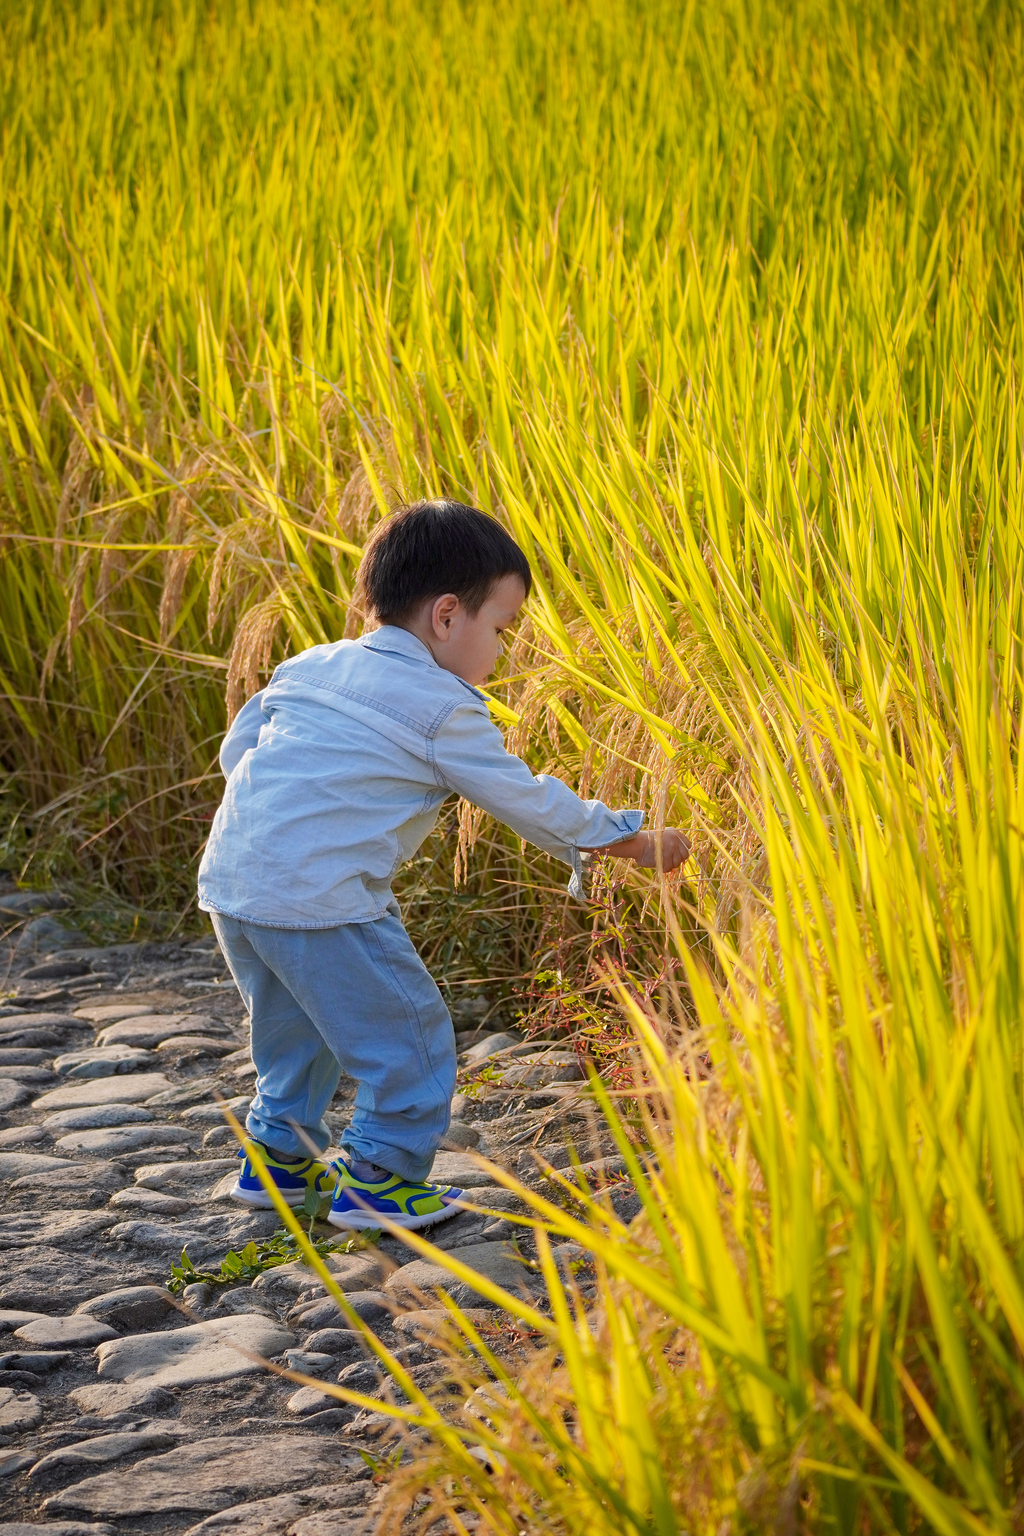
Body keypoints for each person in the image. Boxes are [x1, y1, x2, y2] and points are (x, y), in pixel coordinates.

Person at [198, 499, 690, 1230]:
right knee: (411, 1034)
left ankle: (277, 1161)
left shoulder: (311, 665)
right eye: (502, 629)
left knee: (295, 1027)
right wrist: (624, 838)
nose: (503, 652)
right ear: (448, 616)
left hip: (232, 882)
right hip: (323, 897)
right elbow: (522, 798)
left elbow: (238, 751)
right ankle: (381, 1180)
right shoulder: (440, 706)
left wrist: (269, 830)